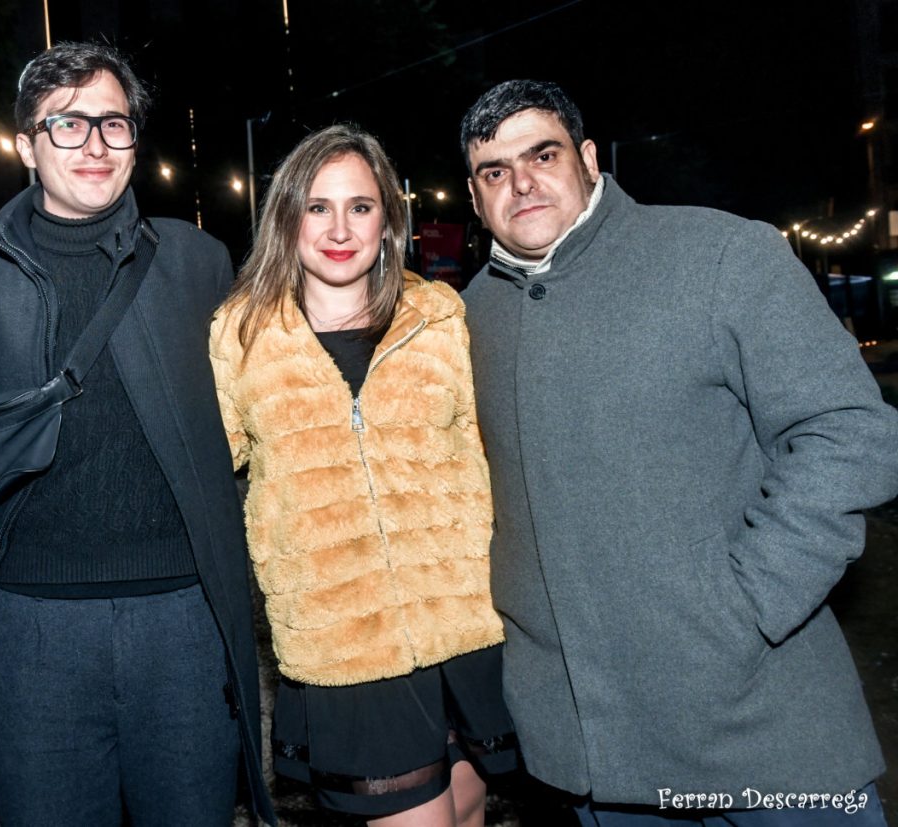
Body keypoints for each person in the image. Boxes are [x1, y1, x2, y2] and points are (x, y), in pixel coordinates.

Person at [458, 79, 898, 826]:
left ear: (588, 158)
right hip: (592, 751)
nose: (521, 183)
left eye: (543, 155)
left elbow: (850, 431)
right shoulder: (466, 318)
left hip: (760, 725)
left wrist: (749, 605)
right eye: (494, 171)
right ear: (475, 198)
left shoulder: (719, 254)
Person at [0, 41, 273, 826]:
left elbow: (267, 394)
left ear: (134, 142)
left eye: (113, 124)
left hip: (183, 620)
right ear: (26, 146)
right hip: (34, 631)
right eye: (67, 124)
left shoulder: (199, 264)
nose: (94, 145)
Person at [208, 124, 517, 826]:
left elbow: (492, 447)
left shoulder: (440, 317)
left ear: (388, 220)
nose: (340, 229)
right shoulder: (242, 333)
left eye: (360, 206)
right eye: (317, 207)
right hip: (347, 640)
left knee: (468, 804)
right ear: (287, 217)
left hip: (464, 620)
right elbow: (208, 465)